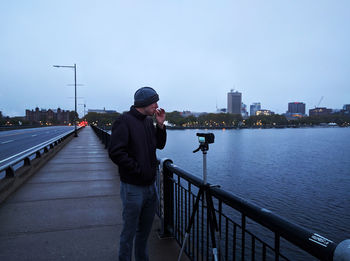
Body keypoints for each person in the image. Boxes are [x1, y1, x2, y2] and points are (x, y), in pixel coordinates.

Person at [108, 87, 167, 261]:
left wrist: (161, 125)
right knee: (129, 232)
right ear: (144, 103)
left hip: (150, 187)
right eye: (154, 101)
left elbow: (159, 145)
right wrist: (138, 170)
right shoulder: (123, 121)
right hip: (133, 188)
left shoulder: (149, 121)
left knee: (144, 233)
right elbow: (116, 152)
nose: (157, 105)